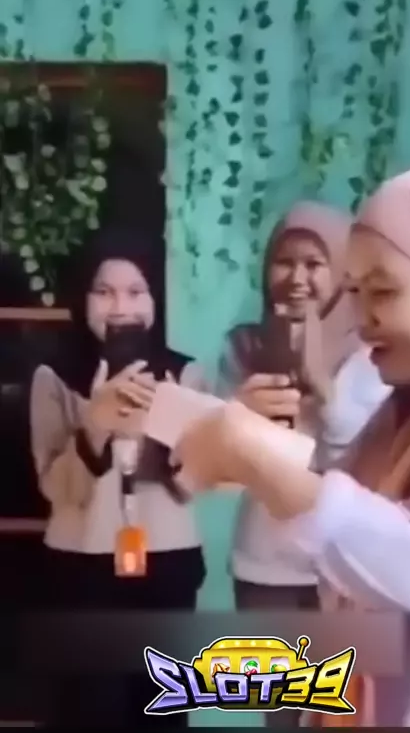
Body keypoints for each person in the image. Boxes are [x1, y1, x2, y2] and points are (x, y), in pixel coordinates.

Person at [174, 165, 410, 726]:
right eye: (355, 292)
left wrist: (257, 457)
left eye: (384, 291)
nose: (362, 318)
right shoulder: (407, 410)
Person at [214, 201, 389, 727]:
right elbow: (220, 466)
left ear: (342, 272)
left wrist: (321, 383)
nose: (296, 278)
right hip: (264, 568)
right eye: (284, 262)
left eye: (314, 264)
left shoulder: (374, 355)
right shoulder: (242, 347)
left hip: (343, 571)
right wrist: (238, 412)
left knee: (341, 716)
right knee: (282, 717)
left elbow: (363, 461)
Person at [30, 228, 205, 728]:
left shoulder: (185, 375)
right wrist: (96, 423)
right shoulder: (54, 376)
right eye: (104, 292)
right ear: (84, 299)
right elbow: (55, 489)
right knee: (88, 710)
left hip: (167, 561)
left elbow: (193, 484)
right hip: (80, 564)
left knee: (163, 712)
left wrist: (162, 416)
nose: (120, 307)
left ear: (154, 300)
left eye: (135, 291)